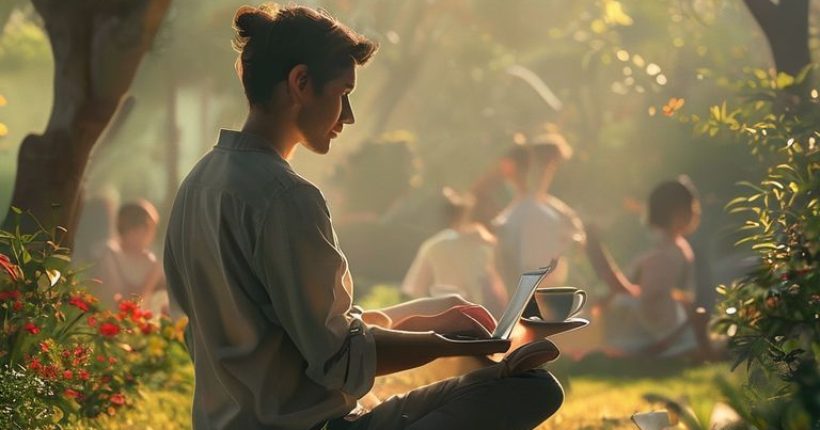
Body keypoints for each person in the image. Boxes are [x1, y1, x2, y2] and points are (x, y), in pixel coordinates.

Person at [163, 5, 564, 430]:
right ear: (301, 83)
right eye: (343, 93)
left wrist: (422, 317)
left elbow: (301, 333)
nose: (349, 116)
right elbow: (338, 360)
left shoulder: (197, 185)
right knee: (533, 387)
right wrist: (445, 343)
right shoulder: (287, 197)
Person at [586, 177, 708, 357]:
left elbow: (648, 300)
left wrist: (600, 260)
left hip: (659, 336)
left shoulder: (667, 254)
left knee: (610, 301)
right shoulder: (673, 248)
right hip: (669, 329)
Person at [492, 136, 585, 315]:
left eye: (552, 166)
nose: (548, 173)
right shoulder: (531, 213)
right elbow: (536, 273)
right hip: (541, 311)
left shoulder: (548, 209)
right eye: (545, 165)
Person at [402, 187, 508, 317]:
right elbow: (499, 292)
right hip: (480, 316)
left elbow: (415, 291)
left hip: (445, 316)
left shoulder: (433, 246)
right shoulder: (484, 245)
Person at [95, 199, 167, 314]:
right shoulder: (108, 254)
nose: (152, 236)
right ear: (137, 230)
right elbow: (115, 301)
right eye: (151, 229)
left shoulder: (148, 259)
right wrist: (151, 279)